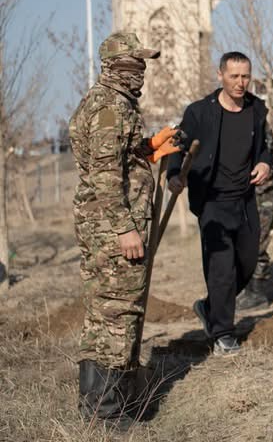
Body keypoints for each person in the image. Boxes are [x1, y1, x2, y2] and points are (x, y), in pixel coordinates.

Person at [69, 32, 182, 427]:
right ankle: (106, 413)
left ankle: (106, 405)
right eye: (135, 63)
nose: (141, 71)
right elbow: (104, 175)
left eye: (143, 63)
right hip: (113, 228)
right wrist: (124, 229)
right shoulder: (109, 107)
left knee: (106, 312)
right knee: (116, 313)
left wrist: (148, 148)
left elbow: (118, 157)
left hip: (109, 225)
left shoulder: (115, 103)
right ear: (116, 66)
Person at [167, 51, 273, 356]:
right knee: (221, 267)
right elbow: (177, 146)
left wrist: (264, 163)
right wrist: (174, 175)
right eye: (234, 76)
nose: (241, 82)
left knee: (248, 263)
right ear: (220, 75)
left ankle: (210, 306)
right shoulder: (199, 112)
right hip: (212, 201)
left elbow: (263, 148)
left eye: (245, 76)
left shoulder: (256, 109)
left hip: (244, 199)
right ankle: (223, 333)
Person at [236, 121, 273, 310]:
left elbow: (264, 156)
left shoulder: (256, 122)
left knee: (257, 242)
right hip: (240, 190)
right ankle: (242, 289)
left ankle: (256, 293)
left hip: (262, 190)